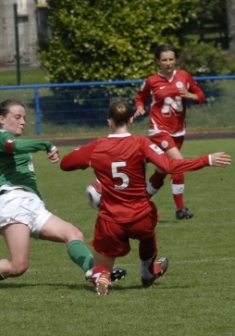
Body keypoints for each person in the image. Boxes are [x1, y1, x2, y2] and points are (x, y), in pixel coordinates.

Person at [0, 99, 126, 290]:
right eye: (17, 117)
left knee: (73, 233)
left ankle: (94, 271)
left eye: (24, 117)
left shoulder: (2, 144)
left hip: (33, 204)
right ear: (1, 119)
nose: (23, 122)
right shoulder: (0, 138)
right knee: (18, 266)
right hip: (14, 202)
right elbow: (14, 148)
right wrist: (46, 144)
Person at [60, 100, 231, 296]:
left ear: (109, 122)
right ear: (132, 119)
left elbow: (65, 164)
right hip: (140, 216)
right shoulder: (141, 143)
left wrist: (87, 159)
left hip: (110, 220)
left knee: (101, 264)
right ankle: (148, 271)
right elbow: (169, 166)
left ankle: (102, 278)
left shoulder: (97, 146)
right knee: (148, 231)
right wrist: (207, 160)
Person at [134, 43, 206, 220]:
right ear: (158, 61)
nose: (168, 63)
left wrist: (190, 96)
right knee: (178, 163)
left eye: (171, 59)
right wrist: (140, 108)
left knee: (162, 170)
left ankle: (139, 204)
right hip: (159, 130)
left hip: (178, 131)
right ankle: (180, 209)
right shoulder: (152, 81)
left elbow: (200, 96)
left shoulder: (184, 76)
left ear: (175, 60)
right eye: (164, 60)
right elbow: (140, 98)